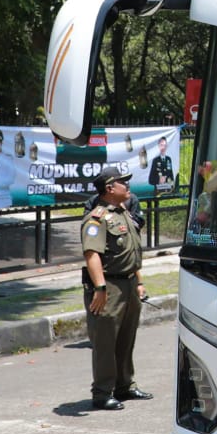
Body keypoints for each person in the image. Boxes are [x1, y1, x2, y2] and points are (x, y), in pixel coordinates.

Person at [80, 169, 152, 410]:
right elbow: (92, 254)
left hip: (129, 283)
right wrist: (100, 288)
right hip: (109, 286)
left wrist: (139, 282)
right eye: (123, 182)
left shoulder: (123, 212)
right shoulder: (97, 218)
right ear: (110, 188)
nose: (127, 186)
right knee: (105, 342)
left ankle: (124, 386)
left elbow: (130, 255)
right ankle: (101, 393)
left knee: (126, 339)